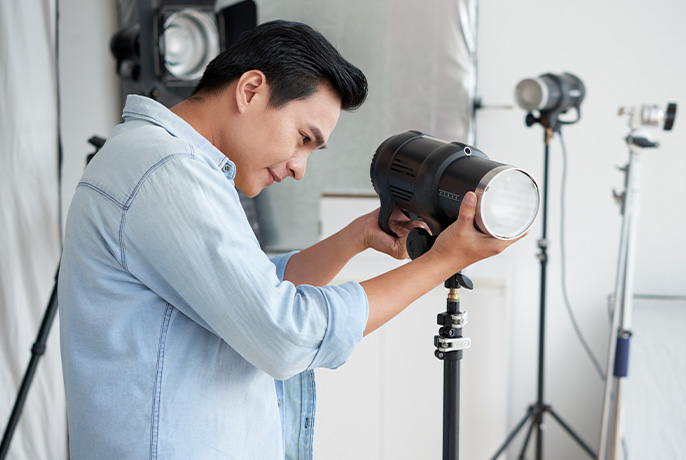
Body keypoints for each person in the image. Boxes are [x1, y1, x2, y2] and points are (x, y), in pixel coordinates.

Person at [58, 20, 520, 459]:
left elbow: (251, 295)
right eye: (302, 138)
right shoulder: (165, 170)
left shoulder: (170, 164)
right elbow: (283, 334)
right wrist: (440, 262)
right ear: (251, 90)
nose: (300, 167)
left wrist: (359, 235)